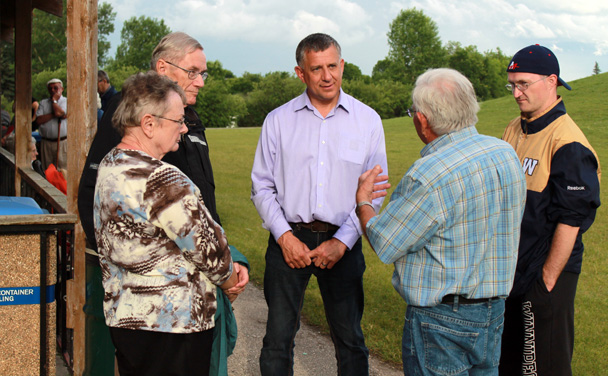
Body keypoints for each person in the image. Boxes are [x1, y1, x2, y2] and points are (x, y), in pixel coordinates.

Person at [78, 31, 249, 376]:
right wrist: (230, 278)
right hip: (174, 326)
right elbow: (208, 250)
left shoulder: (113, 165)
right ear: (149, 123)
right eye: (177, 121)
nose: (184, 128)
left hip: (128, 320)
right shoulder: (162, 179)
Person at [356, 68, 527, 375]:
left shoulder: (428, 175)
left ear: (422, 120)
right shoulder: (505, 153)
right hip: (494, 310)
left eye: (413, 113)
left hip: (442, 320)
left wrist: (363, 202)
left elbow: (384, 242)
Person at [251, 32, 388, 375]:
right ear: (301, 73)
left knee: (350, 340)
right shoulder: (278, 121)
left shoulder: (367, 120)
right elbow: (262, 186)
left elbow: (376, 191)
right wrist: (284, 237)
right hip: (288, 242)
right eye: (317, 69)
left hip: (343, 243)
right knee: (278, 339)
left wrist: (343, 241)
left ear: (342, 65)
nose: (327, 76)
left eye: (333, 66)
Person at [499, 45, 601, 376]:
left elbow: (571, 221)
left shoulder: (568, 142)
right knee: (508, 365)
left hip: (543, 276)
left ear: (551, 81)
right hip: (512, 271)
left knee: (542, 367)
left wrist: (547, 281)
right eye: (512, 84)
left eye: (524, 84)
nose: (516, 93)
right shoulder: (515, 128)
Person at [36, 78, 67, 170]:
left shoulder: (66, 101)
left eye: (56, 88)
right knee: (47, 169)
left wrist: (54, 101)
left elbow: (59, 113)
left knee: (62, 170)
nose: (53, 90)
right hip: (46, 142)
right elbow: (39, 120)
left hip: (62, 142)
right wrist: (55, 114)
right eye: (50, 88)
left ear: (62, 89)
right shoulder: (43, 103)